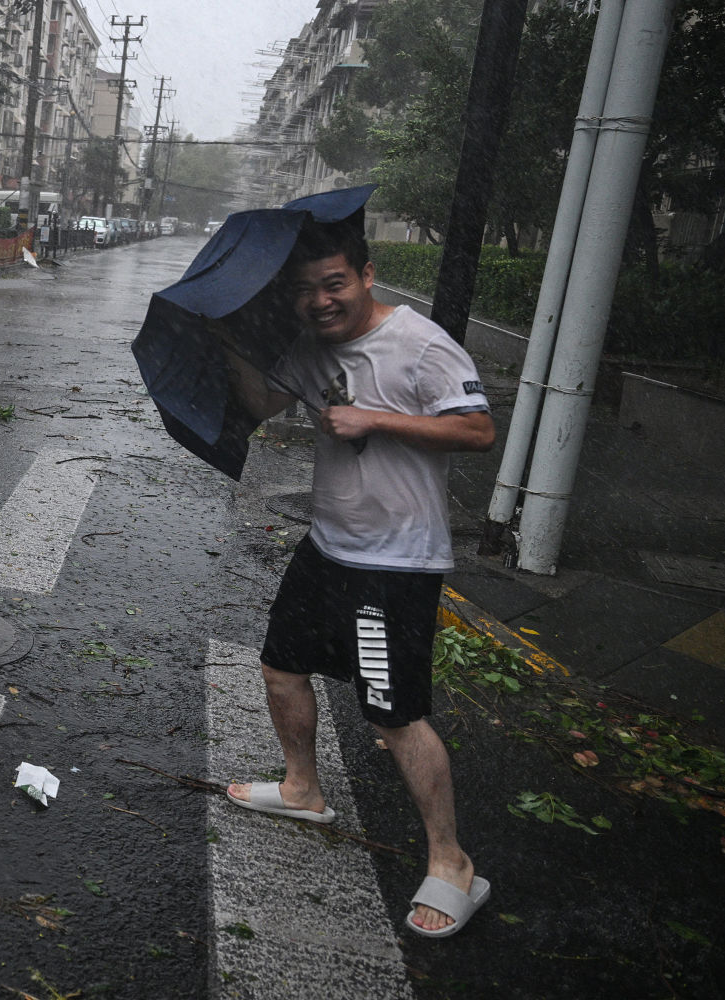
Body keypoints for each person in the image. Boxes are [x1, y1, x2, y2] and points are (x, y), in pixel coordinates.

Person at [221, 219, 496, 939]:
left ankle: (453, 861)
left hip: (396, 562)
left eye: (334, 283)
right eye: (306, 289)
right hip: (329, 547)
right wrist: (229, 344)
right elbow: (260, 404)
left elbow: (475, 429)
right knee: (281, 669)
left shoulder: (419, 343)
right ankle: (303, 788)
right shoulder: (313, 348)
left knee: (393, 716)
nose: (320, 300)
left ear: (367, 276)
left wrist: (375, 418)